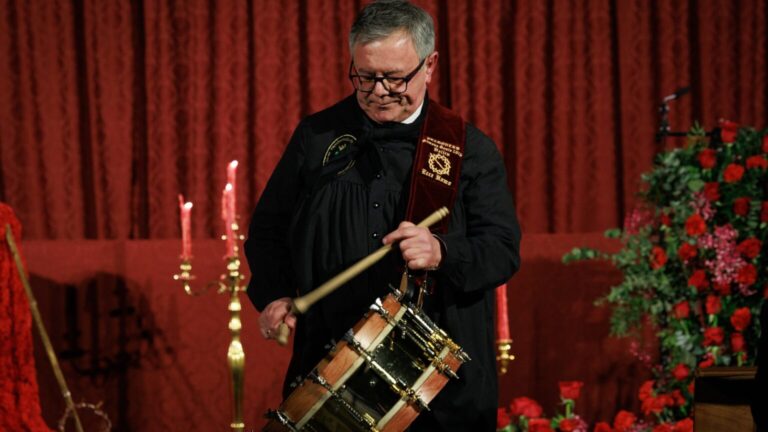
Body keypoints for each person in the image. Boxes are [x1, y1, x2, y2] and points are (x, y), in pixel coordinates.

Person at [245, 1, 521, 430]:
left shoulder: (467, 149)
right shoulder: (317, 137)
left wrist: (442, 252)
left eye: (395, 78)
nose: (378, 91)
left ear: (429, 66)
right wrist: (276, 293)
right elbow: (268, 231)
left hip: (436, 388)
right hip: (331, 366)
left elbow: (503, 249)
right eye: (365, 76)